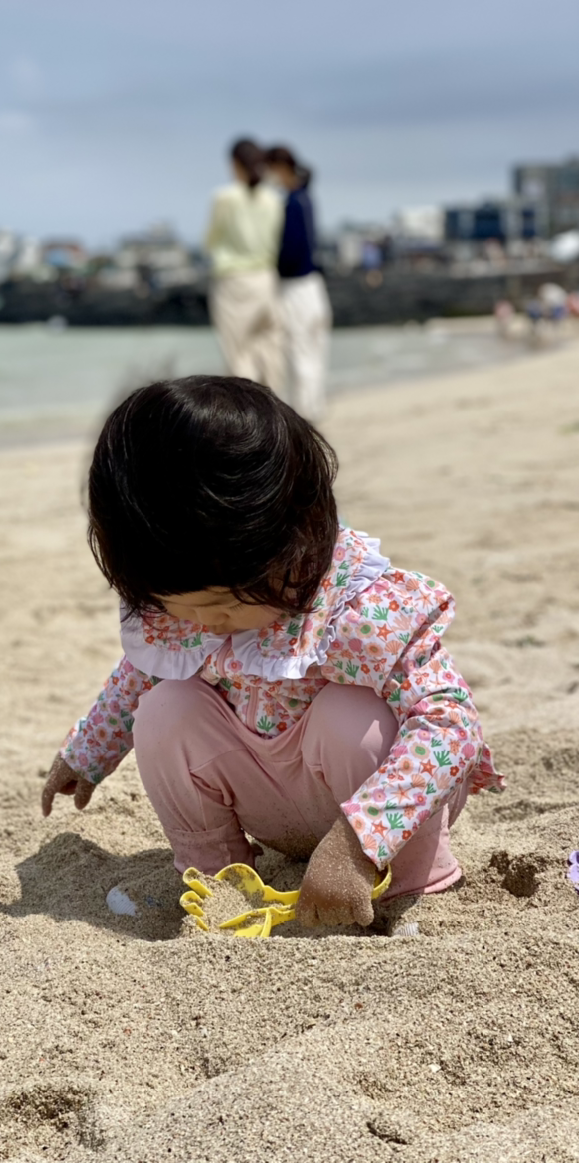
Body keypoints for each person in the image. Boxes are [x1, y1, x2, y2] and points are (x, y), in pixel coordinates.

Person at [41, 377, 504, 927]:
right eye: (178, 607)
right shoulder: (182, 604)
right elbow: (141, 673)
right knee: (165, 710)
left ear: (295, 544)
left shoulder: (358, 609)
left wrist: (359, 841)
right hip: (276, 795)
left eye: (222, 606)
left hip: (386, 811)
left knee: (348, 717)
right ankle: (214, 879)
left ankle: (406, 888)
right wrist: (87, 753)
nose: (203, 624)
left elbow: (451, 725)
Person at [203, 139, 285, 390]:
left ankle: (246, 409)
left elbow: (210, 241)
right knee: (269, 352)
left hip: (234, 281)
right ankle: (273, 405)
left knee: (237, 355)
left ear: (234, 163)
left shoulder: (224, 197)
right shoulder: (274, 199)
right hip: (267, 279)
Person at [264, 145, 334, 422]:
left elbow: (291, 252)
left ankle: (305, 418)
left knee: (300, 354)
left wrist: (270, 265)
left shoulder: (293, 202)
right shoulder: (305, 198)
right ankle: (313, 412)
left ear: (280, 168)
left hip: (296, 288)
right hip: (313, 286)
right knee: (315, 354)